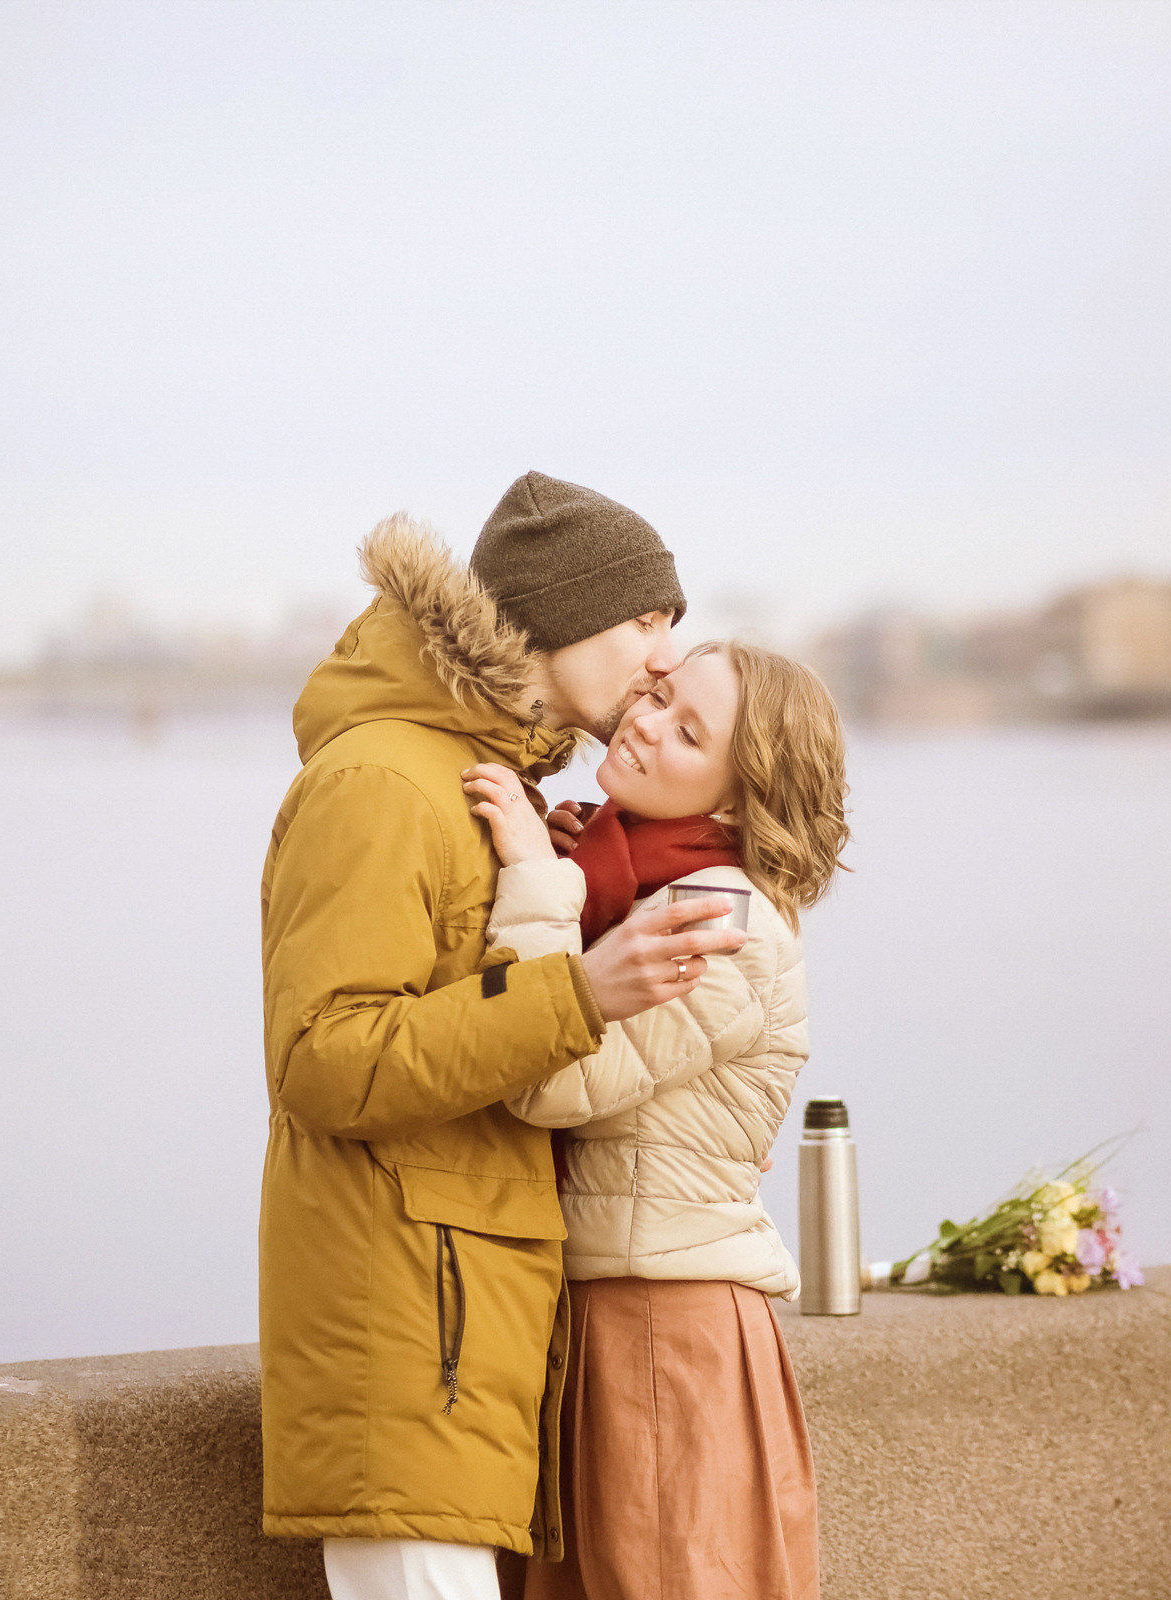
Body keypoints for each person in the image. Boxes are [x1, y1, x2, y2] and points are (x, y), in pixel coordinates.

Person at [258, 472, 752, 1600]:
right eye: (647, 619)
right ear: (563, 612)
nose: (665, 657)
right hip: (405, 1335)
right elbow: (322, 1061)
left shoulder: (484, 787)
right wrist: (578, 996)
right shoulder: (383, 781)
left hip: (462, 1327)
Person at [461, 638, 851, 1600]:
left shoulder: (715, 919)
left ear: (739, 799)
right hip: (611, 1310)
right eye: (660, 697)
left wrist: (536, 880)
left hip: (659, 1326)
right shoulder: (624, 873)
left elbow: (545, 1084)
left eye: (689, 733)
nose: (643, 725)